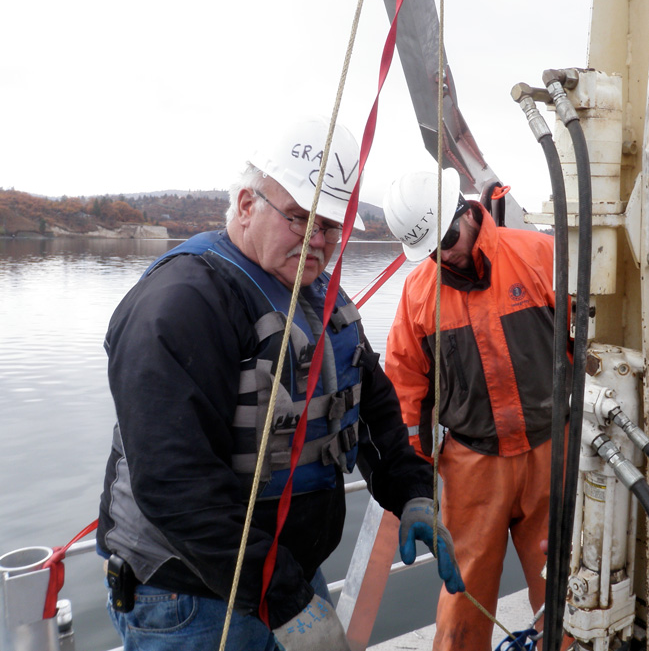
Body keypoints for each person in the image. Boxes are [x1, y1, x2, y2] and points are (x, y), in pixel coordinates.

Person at [96, 117, 463, 651]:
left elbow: (373, 403)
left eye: (332, 226)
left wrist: (410, 491)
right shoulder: (180, 305)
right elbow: (175, 485)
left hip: (282, 574)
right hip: (190, 597)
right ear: (246, 205)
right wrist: (284, 598)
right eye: (299, 218)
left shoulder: (317, 296)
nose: (318, 241)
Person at [383, 170, 569, 650]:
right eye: (430, 248)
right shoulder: (419, 295)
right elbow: (405, 389)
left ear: (467, 211)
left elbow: (589, 341)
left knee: (566, 593)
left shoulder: (538, 255)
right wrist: (415, 484)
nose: (444, 254)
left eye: (446, 238)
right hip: (472, 469)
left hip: (551, 454)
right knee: (462, 600)